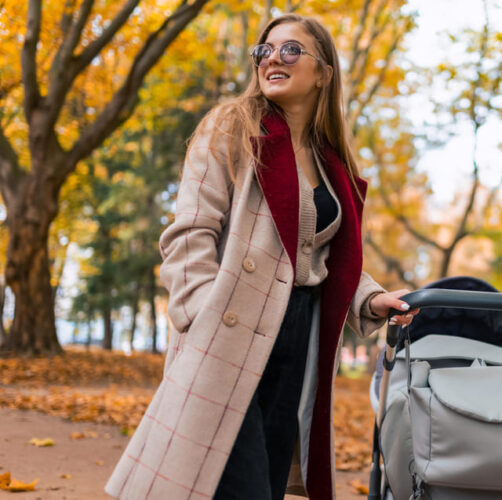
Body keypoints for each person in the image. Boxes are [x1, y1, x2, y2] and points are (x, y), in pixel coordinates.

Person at [106, 13, 417, 500]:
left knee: (267, 480)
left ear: (323, 72)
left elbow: (318, 254)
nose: (273, 57)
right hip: (230, 326)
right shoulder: (231, 127)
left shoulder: (327, 156)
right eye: (265, 50)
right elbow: (190, 233)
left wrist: (371, 299)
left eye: (291, 50)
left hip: (297, 333)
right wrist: (201, 316)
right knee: (236, 480)